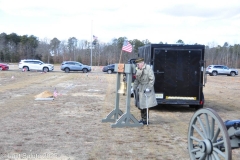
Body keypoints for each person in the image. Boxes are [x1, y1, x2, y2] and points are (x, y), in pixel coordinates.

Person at [133, 58, 157, 125]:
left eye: (138, 64)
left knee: (146, 105)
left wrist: (149, 88)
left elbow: (152, 79)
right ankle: (143, 118)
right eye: (137, 64)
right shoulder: (138, 69)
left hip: (147, 88)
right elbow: (137, 80)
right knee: (141, 105)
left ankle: (146, 120)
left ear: (142, 63)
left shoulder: (148, 68)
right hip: (141, 88)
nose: (137, 66)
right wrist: (133, 88)